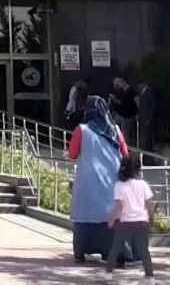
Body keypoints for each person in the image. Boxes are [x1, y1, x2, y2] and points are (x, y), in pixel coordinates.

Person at [68, 95, 130, 262]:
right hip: (112, 181)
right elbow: (125, 154)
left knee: (86, 213)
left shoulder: (82, 130)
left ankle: (82, 250)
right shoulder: (115, 130)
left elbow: (72, 154)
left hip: (88, 181)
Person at [106, 152, 157, 280]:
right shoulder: (143, 185)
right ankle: (150, 277)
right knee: (144, 251)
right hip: (142, 222)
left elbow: (119, 207)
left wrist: (111, 219)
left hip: (125, 222)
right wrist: (151, 218)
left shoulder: (119, 186)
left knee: (115, 248)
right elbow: (150, 204)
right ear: (138, 169)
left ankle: (108, 274)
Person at [109, 77, 139, 146]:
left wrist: (137, 112)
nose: (117, 86)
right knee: (115, 129)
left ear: (122, 82)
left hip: (127, 115)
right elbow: (122, 103)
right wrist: (115, 99)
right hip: (120, 114)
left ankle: (125, 147)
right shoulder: (122, 91)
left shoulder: (131, 90)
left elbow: (136, 101)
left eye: (117, 84)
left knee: (125, 133)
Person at [136, 81, 157, 153]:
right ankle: (146, 149)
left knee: (147, 134)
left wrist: (149, 118)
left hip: (147, 118)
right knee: (145, 134)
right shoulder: (142, 93)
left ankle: (147, 149)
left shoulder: (149, 92)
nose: (138, 87)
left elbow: (152, 107)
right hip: (143, 117)